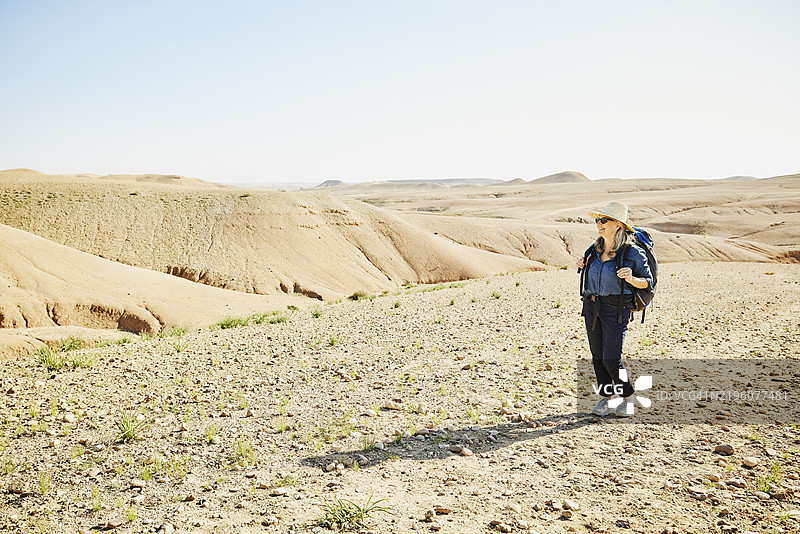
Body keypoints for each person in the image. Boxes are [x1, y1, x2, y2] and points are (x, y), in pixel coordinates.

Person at [577, 202, 653, 417]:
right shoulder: (594, 249)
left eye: (604, 220)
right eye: (597, 220)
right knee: (598, 357)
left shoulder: (632, 253)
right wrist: (583, 264)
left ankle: (627, 397)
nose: (599, 224)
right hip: (592, 307)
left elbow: (647, 283)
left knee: (611, 358)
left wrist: (631, 278)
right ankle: (605, 399)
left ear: (618, 225)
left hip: (616, 310)